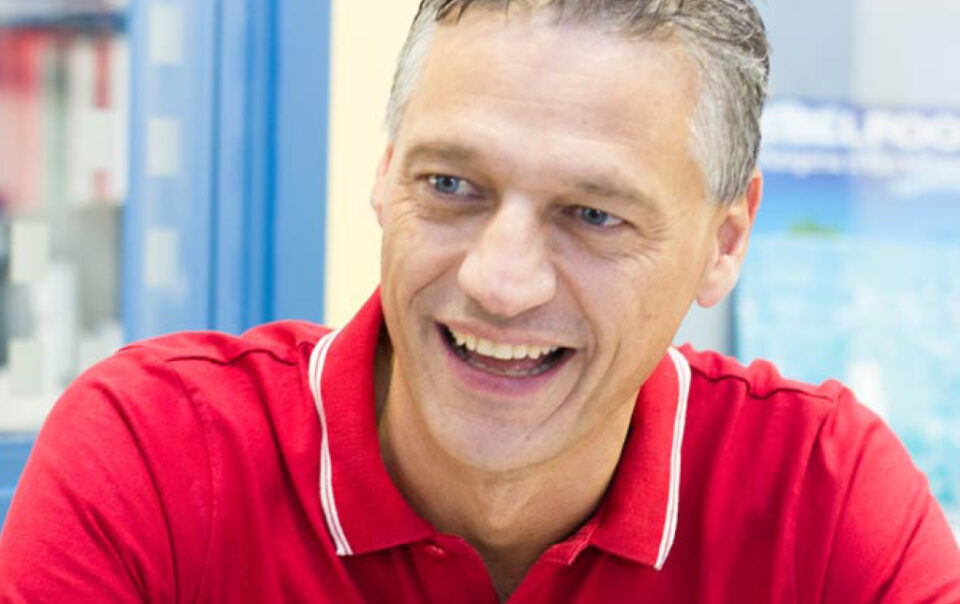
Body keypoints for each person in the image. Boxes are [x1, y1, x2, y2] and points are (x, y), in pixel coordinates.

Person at [2, 0, 959, 601]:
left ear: (726, 242)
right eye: (452, 185)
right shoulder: (157, 458)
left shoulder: (820, 499)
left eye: (593, 214)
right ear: (386, 176)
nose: (499, 283)